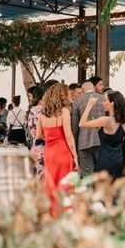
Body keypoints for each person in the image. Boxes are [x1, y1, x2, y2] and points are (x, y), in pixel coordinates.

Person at [36, 83, 78, 215]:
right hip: (63, 151)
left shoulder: (42, 113)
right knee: (64, 181)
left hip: (49, 151)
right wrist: (75, 155)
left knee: (51, 181)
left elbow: (38, 135)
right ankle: (64, 211)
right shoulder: (64, 111)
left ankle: (51, 212)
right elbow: (68, 135)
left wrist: (49, 137)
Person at [79, 90, 125, 179]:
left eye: (105, 100)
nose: (102, 103)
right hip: (119, 160)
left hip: (105, 159)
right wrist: (100, 130)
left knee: (102, 188)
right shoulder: (123, 122)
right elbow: (113, 139)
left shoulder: (105, 120)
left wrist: (89, 106)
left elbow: (81, 124)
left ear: (112, 103)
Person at [71, 80, 105, 177]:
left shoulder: (77, 101)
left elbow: (75, 126)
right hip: (101, 140)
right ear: (93, 88)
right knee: (101, 173)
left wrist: (75, 146)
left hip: (83, 143)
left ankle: (88, 192)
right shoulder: (103, 99)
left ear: (82, 89)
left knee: (87, 174)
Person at [27, 87, 46, 177]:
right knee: (44, 175)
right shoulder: (44, 110)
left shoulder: (31, 110)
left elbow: (31, 129)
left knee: (37, 174)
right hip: (44, 145)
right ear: (42, 96)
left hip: (35, 146)